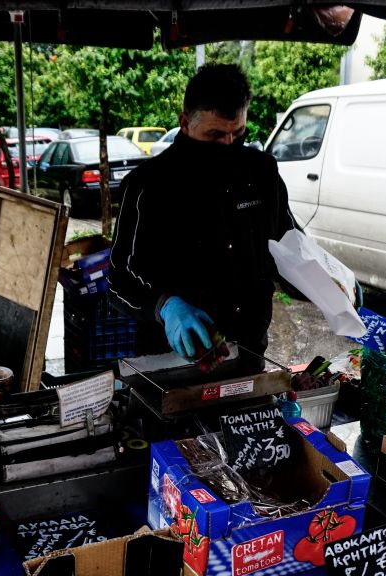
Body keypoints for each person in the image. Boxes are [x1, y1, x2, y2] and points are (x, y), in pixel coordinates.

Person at [108, 64, 296, 364]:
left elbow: (289, 248)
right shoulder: (148, 185)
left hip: (248, 350)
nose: (228, 145)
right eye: (215, 135)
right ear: (185, 123)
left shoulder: (262, 173)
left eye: (238, 133)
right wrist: (165, 306)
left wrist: (328, 283)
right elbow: (119, 277)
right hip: (170, 358)